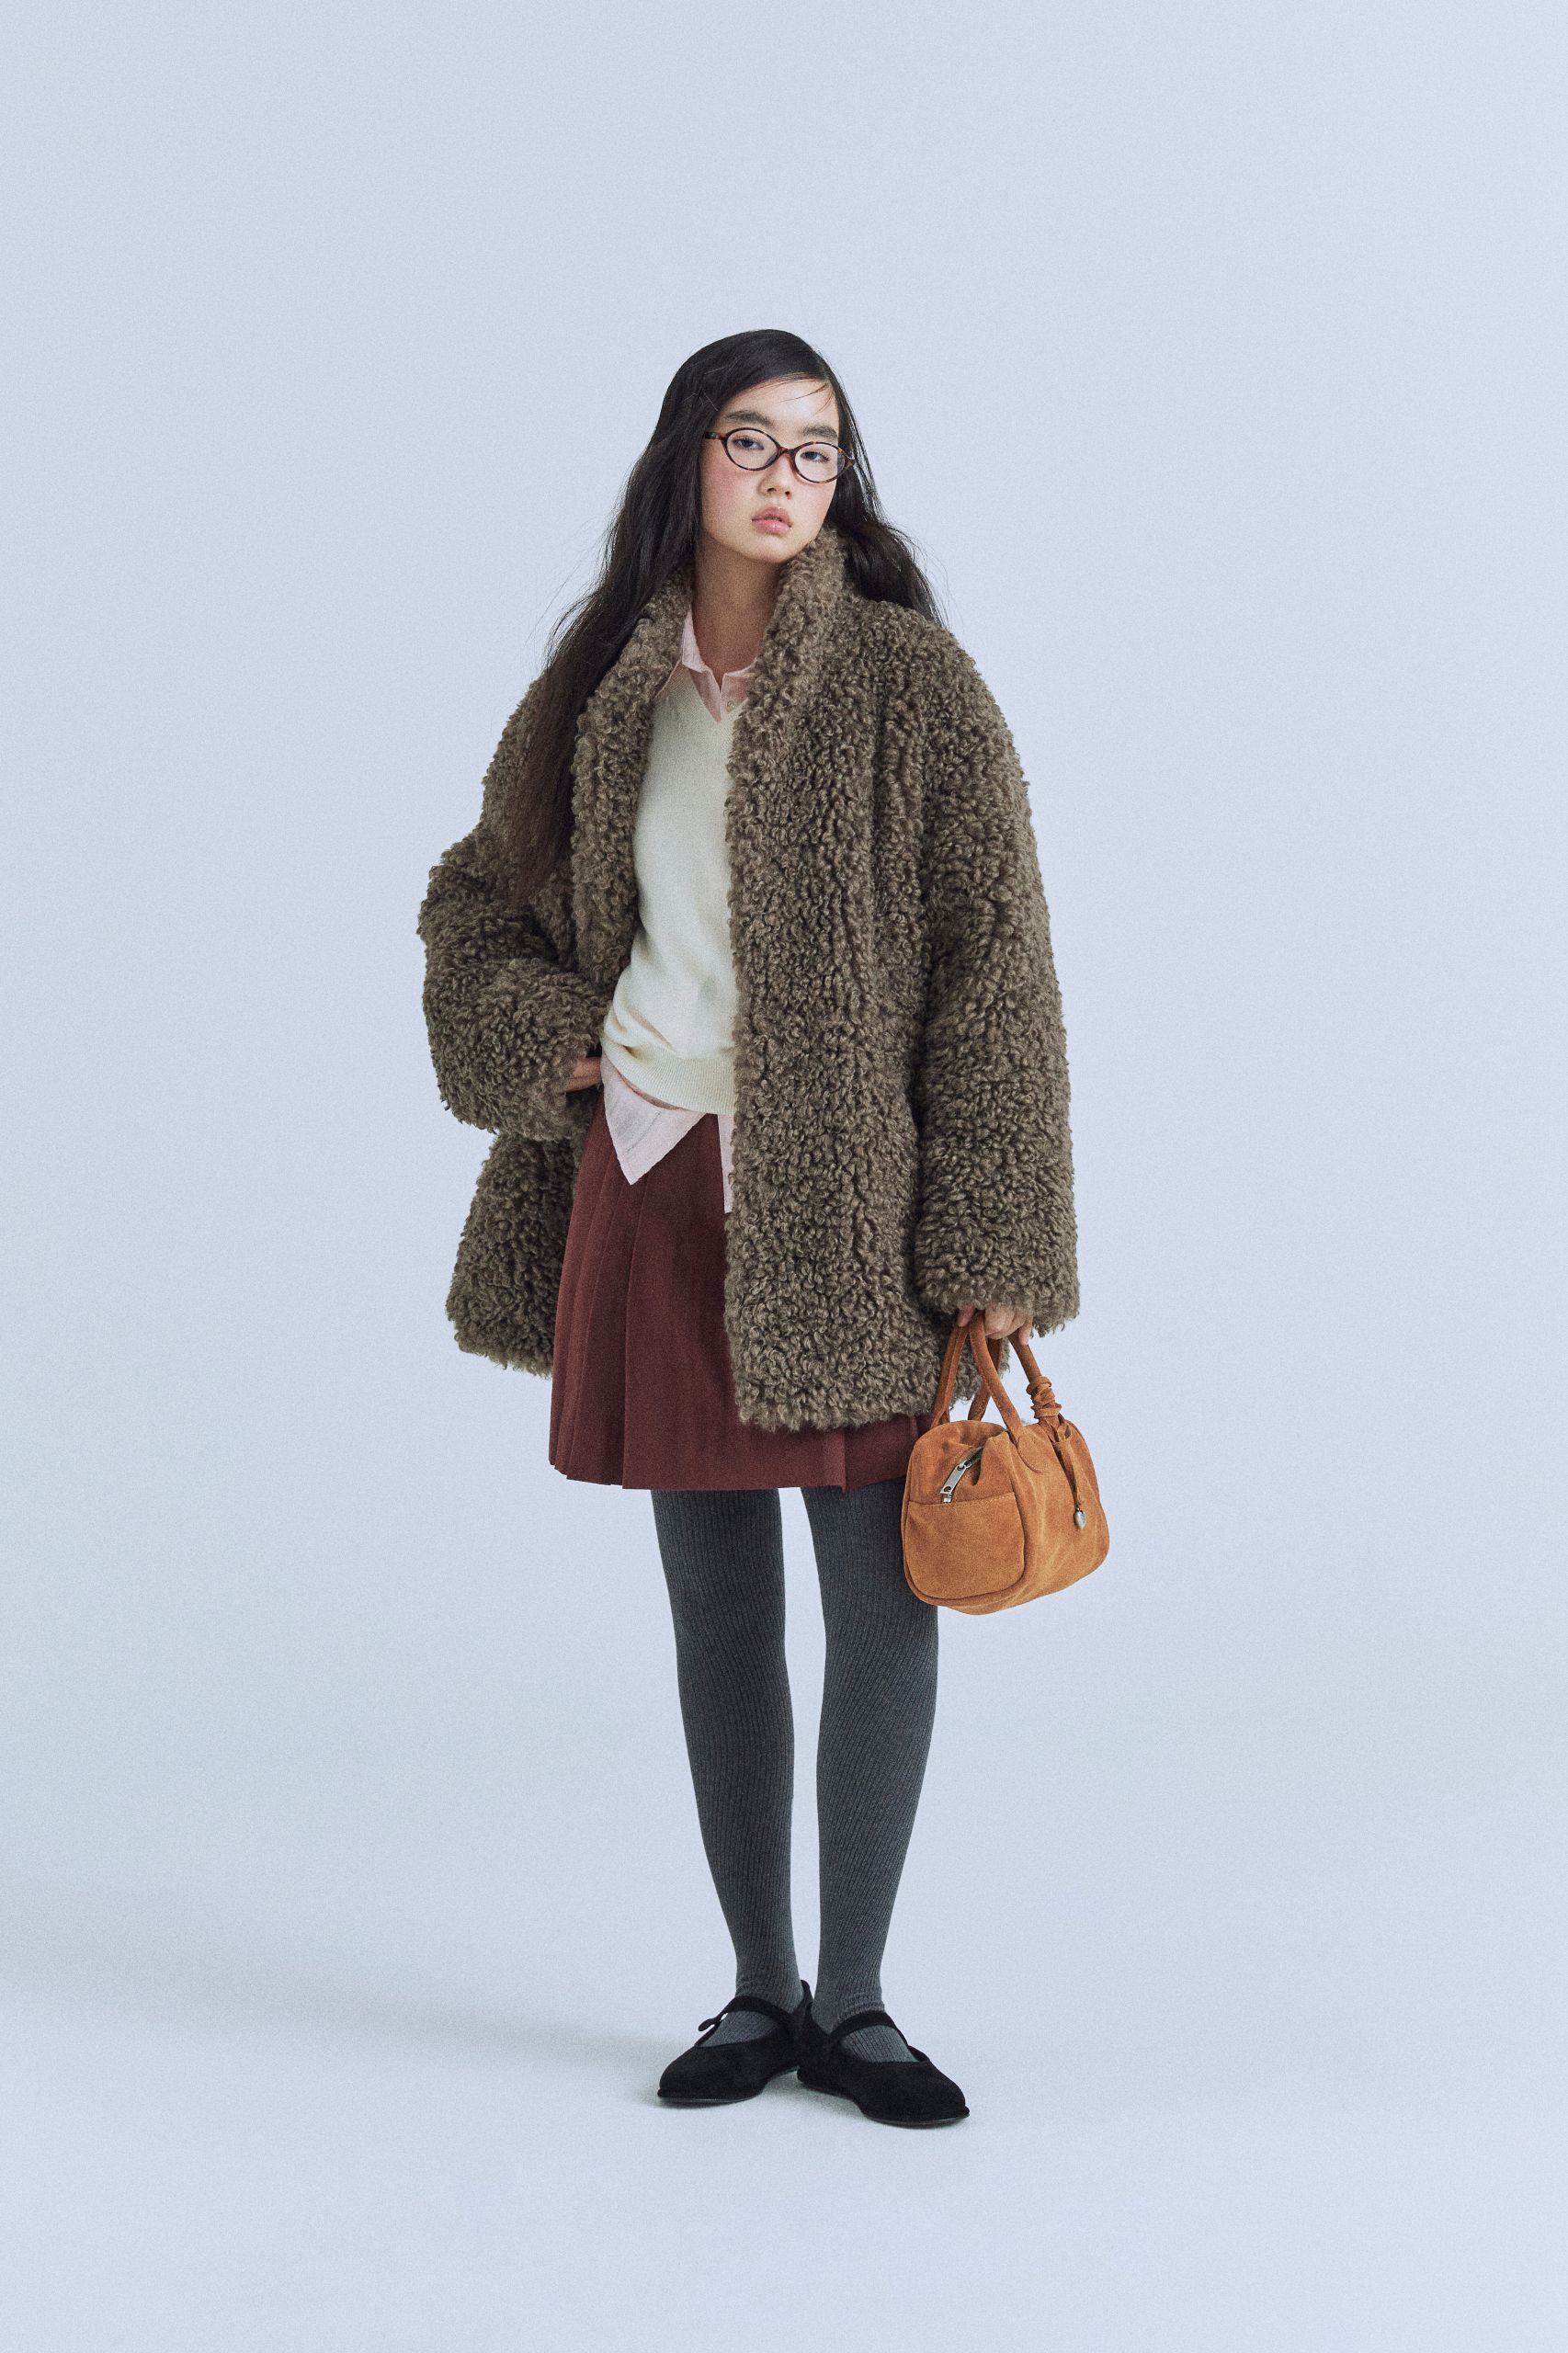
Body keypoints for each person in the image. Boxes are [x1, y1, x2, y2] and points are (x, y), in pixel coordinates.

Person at [416, 329, 1080, 2129]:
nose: (788, 478)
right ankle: (756, 1989)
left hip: (847, 1203)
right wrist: (540, 1037)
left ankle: (856, 2005)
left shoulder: (911, 682)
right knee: (718, 1611)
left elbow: (996, 965)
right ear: (685, 459)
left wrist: (995, 1234)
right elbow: (474, 900)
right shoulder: (596, 684)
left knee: (880, 1602)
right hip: (650, 1176)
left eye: (817, 450)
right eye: (751, 441)